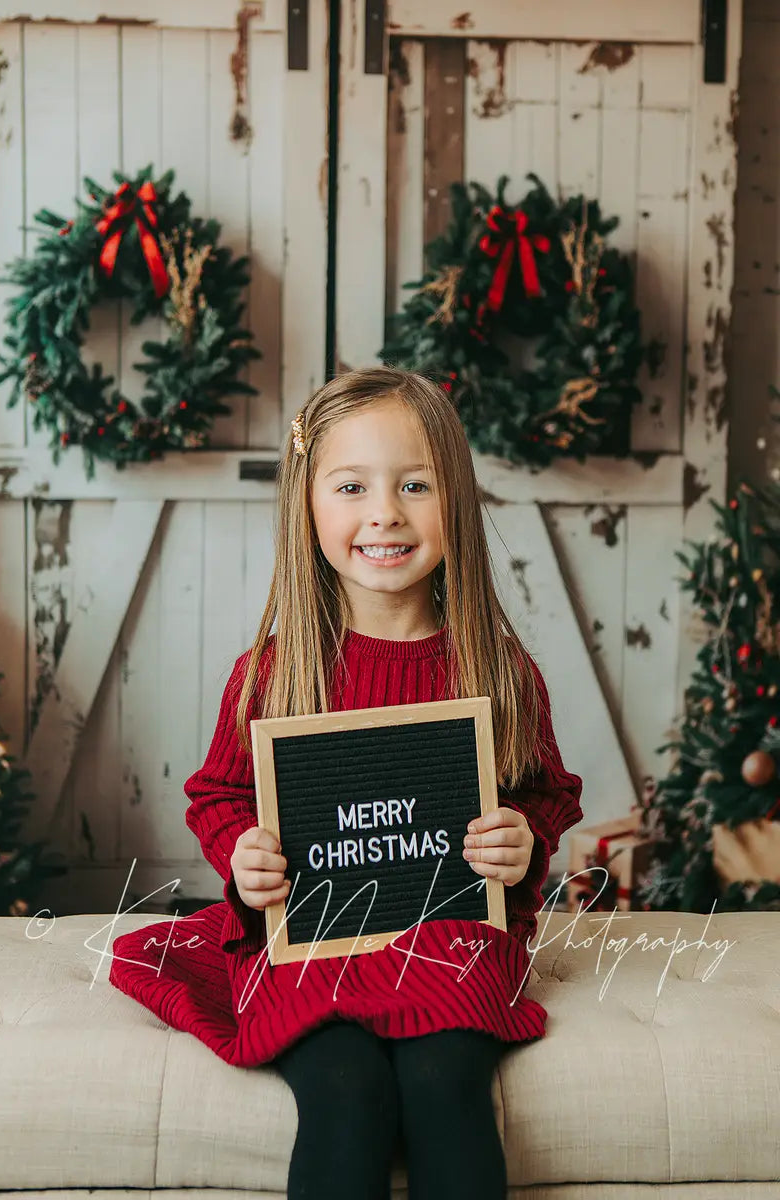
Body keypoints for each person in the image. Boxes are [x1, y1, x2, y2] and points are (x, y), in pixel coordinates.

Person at [109, 366, 584, 1200]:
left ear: (456, 500)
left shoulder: (499, 669)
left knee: (445, 1086)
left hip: (448, 940)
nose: (385, 513)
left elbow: (545, 792)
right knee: (343, 1092)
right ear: (310, 504)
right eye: (352, 485)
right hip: (313, 940)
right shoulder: (273, 673)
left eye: (414, 484)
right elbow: (218, 794)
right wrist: (243, 855)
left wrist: (522, 838)